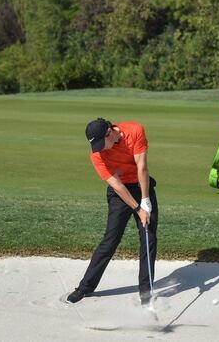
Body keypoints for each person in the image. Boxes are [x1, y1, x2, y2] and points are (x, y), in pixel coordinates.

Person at [67, 118, 158, 305]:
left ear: (110, 132)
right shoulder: (97, 155)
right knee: (111, 239)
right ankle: (85, 287)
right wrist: (137, 208)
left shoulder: (135, 131)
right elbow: (116, 185)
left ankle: (146, 292)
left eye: (102, 143)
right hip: (120, 193)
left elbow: (142, 167)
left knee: (148, 236)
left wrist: (145, 200)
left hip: (142, 186)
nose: (99, 149)